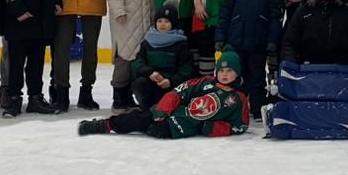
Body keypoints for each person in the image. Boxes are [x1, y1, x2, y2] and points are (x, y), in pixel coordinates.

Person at [78, 49, 249, 139]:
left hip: (184, 126)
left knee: (155, 130)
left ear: (238, 74)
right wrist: (165, 108)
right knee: (138, 119)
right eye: (222, 70)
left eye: (229, 71)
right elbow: (180, 91)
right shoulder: (206, 82)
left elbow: (240, 126)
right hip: (172, 111)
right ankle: (103, 126)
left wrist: (212, 128)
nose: (225, 74)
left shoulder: (238, 99)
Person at [217, 0, 283, 118]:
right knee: (237, 76)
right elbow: (225, 14)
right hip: (236, 39)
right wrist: (220, 37)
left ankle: (257, 109)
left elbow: (275, 15)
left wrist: (272, 39)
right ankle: (237, 109)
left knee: (257, 76)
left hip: (258, 40)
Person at [129, 2, 192, 111]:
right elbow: (137, 63)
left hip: (170, 85)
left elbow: (186, 69)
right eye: (160, 21)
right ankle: (146, 109)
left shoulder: (181, 43)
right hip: (151, 81)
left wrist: (170, 81)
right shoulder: (147, 42)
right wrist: (149, 73)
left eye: (167, 21)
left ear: (173, 23)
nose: (163, 24)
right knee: (139, 83)